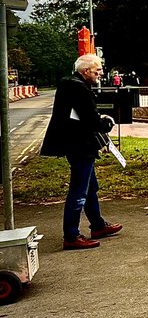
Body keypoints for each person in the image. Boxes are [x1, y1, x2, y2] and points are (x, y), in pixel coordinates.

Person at [40, 53, 122, 250]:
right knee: (79, 190)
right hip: (80, 144)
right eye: (98, 70)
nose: (101, 73)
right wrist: (106, 123)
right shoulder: (80, 88)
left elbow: (79, 115)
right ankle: (71, 235)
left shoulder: (69, 83)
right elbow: (91, 120)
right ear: (86, 71)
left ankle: (98, 225)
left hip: (73, 142)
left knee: (90, 186)